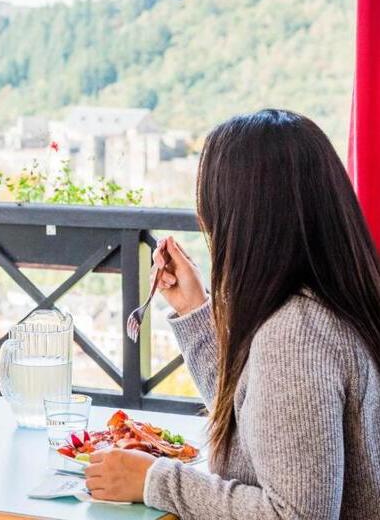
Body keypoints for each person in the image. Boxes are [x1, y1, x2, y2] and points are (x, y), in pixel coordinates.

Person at [84, 109, 380, 518]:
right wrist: (194, 312)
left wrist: (155, 480)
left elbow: (295, 514)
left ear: (245, 218)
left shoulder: (295, 334)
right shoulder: (330, 302)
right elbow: (258, 431)